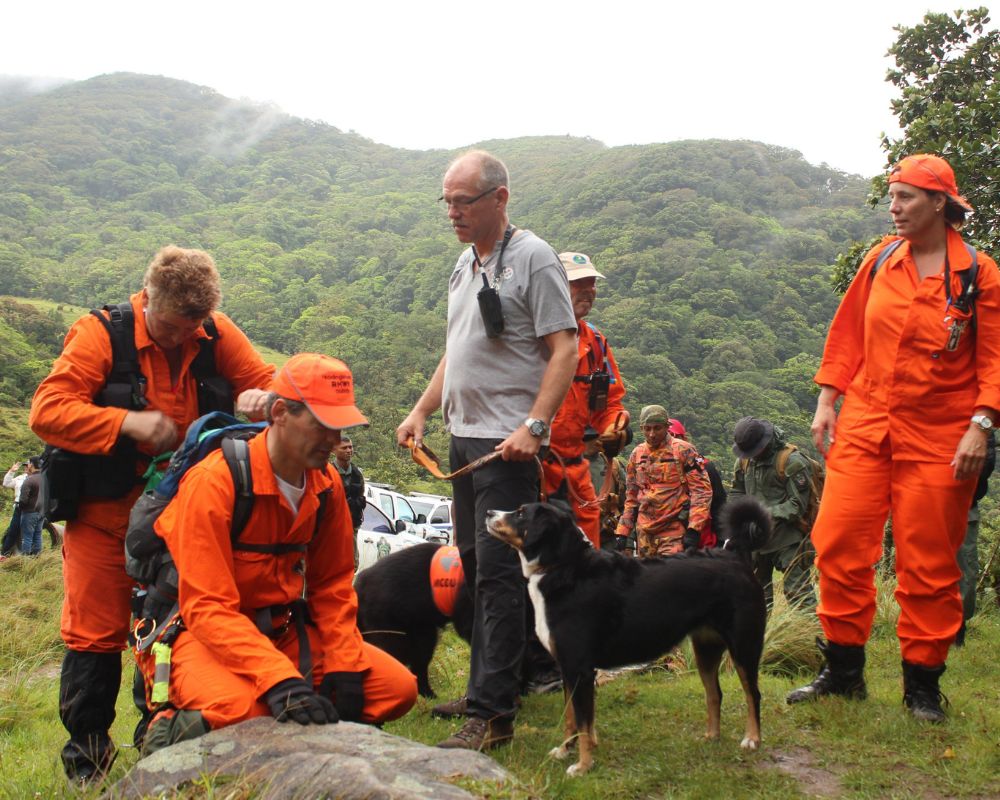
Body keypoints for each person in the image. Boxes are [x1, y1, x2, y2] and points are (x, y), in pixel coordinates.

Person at [29, 245, 275, 782]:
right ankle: (88, 765)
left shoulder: (213, 330)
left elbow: (266, 379)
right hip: (103, 516)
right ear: (149, 301)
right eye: (172, 326)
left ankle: (159, 745)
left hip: (181, 520)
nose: (184, 337)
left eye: (194, 326)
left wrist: (261, 394)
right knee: (93, 636)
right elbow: (47, 411)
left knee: (170, 630)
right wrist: (126, 424)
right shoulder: (99, 334)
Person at [787, 154, 1000, 723]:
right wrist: (828, 401)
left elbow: (995, 359)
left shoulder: (979, 274)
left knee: (927, 563)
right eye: (892, 195)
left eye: (906, 196)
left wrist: (982, 424)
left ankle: (923, 687)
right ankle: (843, 672)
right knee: (835, 544)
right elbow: (848, 331)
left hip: (942, 437)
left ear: (939, 203)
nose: (894, 206)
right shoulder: (881, 259)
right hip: (865, 423)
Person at [137, 354, 417, 753]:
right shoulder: (213, 484)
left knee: (396, 689)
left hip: (282, 632)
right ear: (281, 412)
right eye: (322, 426)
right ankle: (170, 724)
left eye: (340, 428)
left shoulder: (327, 485)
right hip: (200, 637)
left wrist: (344, 665)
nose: (335, 442)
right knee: (250, 713)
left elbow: (333, 586)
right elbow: (207, 608)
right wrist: (279, 680)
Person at [396, 150, 577, 750]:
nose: (452, 212)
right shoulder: (464, 263)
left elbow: (565, 349)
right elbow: (459, 349)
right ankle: (505, 680)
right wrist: (423, 409)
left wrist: (536, 425)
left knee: (499, 577)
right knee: (476, 569)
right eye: (447, 201)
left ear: (499, 198)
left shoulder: (533, 258)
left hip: (508, 447)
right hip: (463, 438)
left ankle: (493, 714)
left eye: (463, 201)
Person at [540, 251, 629, 548]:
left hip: (577, 465)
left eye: (592, 283)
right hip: (534, 464)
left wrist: (615, 427)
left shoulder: (596, 343)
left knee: (586, 554)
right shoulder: (532, 337)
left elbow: (610, 402)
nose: (588, 290)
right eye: (579, 283)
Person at [729, 417, 816, 610]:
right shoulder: (744, 462)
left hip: (788, 538)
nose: (752, 455)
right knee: (757, 595)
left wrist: (761, 515)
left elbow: (797, 505)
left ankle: (813, 635)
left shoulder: (792, 462)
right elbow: (737, 491)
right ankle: (763, 637)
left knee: (798, 591)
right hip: (756, 541)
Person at [614, 405, 712, 556]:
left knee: (669, 576)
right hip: (644, 532)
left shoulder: (684, 450)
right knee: (647, 577)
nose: (652, 434)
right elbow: (632, 497)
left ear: (667, 426)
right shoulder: (637, 454)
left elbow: (702, 492)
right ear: (641, 428)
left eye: (657, 428)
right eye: (647, 429)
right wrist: (623, 531)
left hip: (673, 531)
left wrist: (694, 528)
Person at [955, 430, 995, 646]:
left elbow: (987, 459)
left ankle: (958, 629)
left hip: (965, 504)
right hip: (925, 501)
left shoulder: (979, 419)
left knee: (966, 573)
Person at [669, 418, 726, 549]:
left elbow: (719, 504)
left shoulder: (704, 465)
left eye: (675, 437)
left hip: (702, 542)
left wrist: (721, 540)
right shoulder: (651, 467)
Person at [332, 436, 366, 568]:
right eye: (344, 447)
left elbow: (361, 498)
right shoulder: (328, 472)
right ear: (334, 450)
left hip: (351, 527)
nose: (349, 450)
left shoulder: (357, 474)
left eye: (350, 447)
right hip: (331, 529)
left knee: (351, 565)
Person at [16, 456, 45, 556]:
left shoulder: (29, 480)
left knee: (27, 537)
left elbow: (23, 500)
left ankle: (25, 561)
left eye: (28, 463)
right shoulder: (46, 478)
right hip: (42, 511)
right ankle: (37, 559)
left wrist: (20, 508)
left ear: (31, 465)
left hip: (29, 512)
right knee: (38, 535)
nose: (27, 465)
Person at [2, 460, 28, 558]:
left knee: (27, 532)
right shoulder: (20, 478)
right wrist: (11, 472)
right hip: (18, 506)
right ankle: (4, 553)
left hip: (31, 508)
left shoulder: (38, 477)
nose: (26, 467)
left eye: (28, 465)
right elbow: (6, 483)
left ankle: (27, 556)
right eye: (25, 465)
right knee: (13, 530)